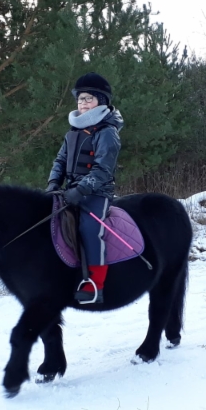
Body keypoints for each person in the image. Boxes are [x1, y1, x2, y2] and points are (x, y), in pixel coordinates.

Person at [46, 72, 124, 303]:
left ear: (101, 101)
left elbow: (102, 170)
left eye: (88, 99)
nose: (83, 103)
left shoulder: (107, 132)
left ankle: (95, 285)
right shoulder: (73, 132)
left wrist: (81, 190)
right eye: (80, 99)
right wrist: (53, 183)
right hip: (67, 190)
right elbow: (60, 161)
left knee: (90, 229)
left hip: (96, 193)